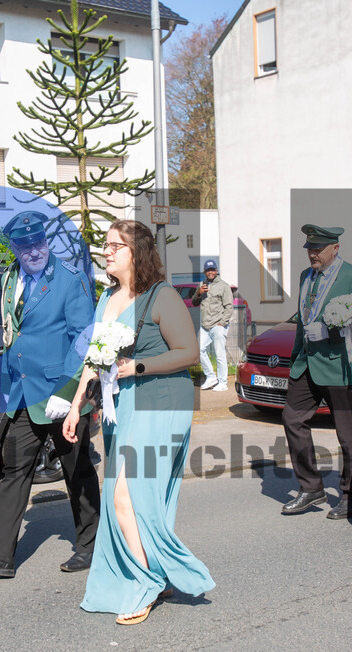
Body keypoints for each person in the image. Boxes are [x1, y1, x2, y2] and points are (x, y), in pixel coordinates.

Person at [63, 220, 214, 625]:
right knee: (132, 497)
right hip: (121, 406)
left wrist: (139, 365)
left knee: (124, 497)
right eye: (106, 245)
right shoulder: (106, 298)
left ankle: (146, 582)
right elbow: (94, 359)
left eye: (116, 245)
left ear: (137, 252)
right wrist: (77, 405)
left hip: (162, 403)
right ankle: (155, 574)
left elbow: (189, 353)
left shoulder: (162, 297)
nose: (107, 251)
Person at [0, 211, 101, 578]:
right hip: (23, 392)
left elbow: (83, 338)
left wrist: (68, 391)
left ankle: (91, 545)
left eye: (38, 243)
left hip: (61, 396)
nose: (33, 251)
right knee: (14, 469)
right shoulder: (10, 278)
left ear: (46, 242)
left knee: (77, 470)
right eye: (24, 246)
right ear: (15, 248)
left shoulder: (70, 280)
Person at [281, 224, 352, 520]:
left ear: (335, 248)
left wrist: (338, 322)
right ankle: (311, 487)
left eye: (318, 249)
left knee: (347, 435)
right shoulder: (305, 277)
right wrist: (296, 357)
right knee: (292, 419)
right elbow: (303, 320)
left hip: (339, 365)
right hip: (307, 363)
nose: (313, 254)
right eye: (310, 249)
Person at [192, 258, 233, 392]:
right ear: (205, 271)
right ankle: (211, 377)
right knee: (199, 350)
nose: (210, 272)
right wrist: (199, 293)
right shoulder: (202, 284)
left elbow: (229, 307)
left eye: (212, 270)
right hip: (205, 325)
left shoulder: (224, 286)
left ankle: (223, 382)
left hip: (218, 324)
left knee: (219, 354)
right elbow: (194, 302)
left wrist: (222, 323)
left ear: (216, 271)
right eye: (208, 270)